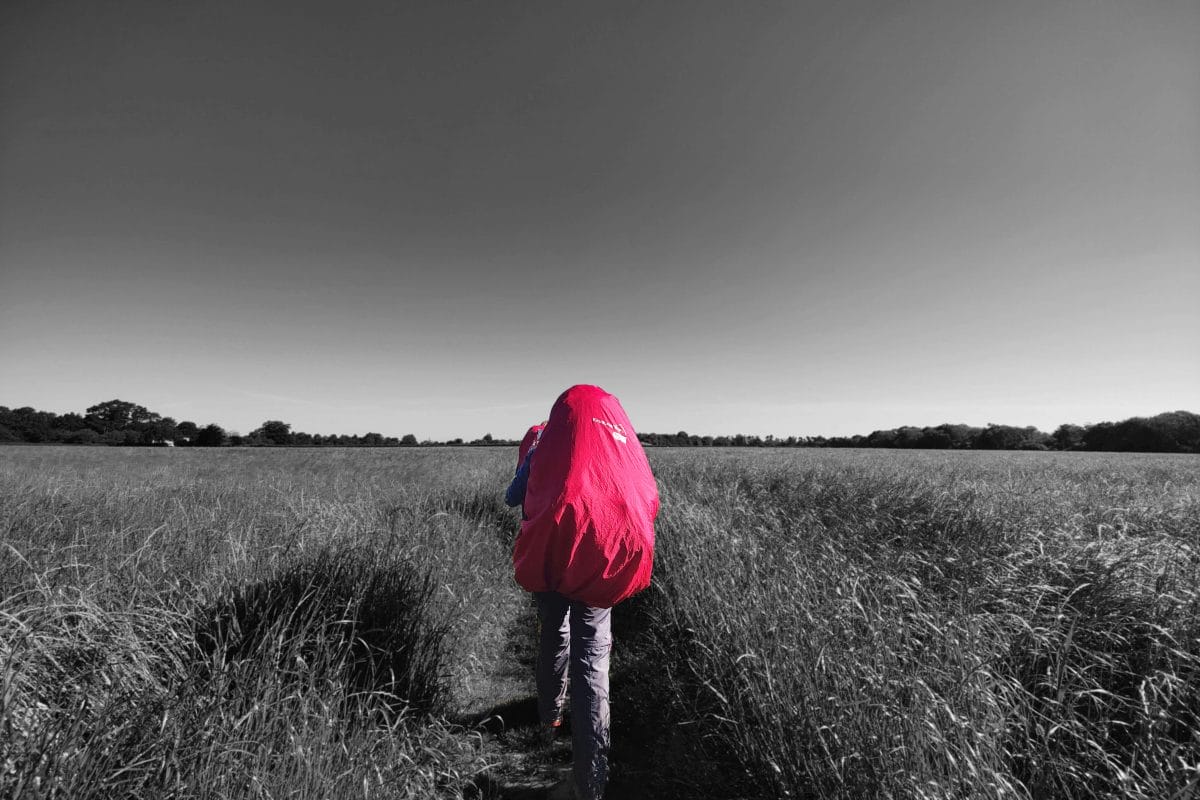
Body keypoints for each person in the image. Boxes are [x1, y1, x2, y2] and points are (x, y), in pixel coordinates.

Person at [505, 385, 659, 800]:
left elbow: (512, 497)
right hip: (607, 550)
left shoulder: (544, 441)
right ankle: (590, 783)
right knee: (592, 659)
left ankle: (547, 719)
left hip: (556, 550)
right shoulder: (617, 442)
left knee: (554, 631)